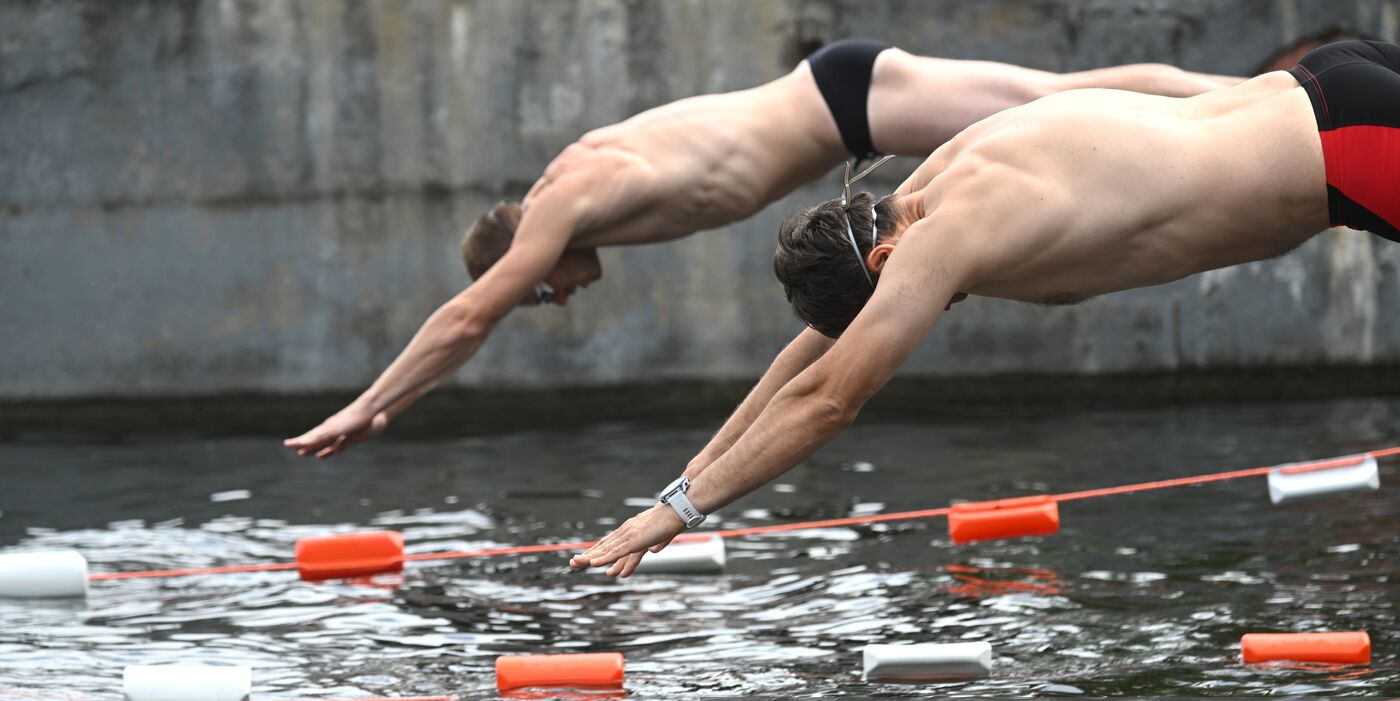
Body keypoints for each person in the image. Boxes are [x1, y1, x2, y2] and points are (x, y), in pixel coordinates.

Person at [569, 39, 1398, 577]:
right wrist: (677, 490)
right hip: (1327, 81)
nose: (936, 304)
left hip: (1351, 152)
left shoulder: (940, 241)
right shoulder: (933, 175)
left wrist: (678, 516)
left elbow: (827, 399)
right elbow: (805, 360)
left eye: (918, 300)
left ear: (889, 262)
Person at [285, 40, 1235, 458]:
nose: (553, 299)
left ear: (512, 256)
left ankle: (1261, 99)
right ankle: (1255, 102)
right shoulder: (581, 190)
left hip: (845, 99)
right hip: (842, 109)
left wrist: (371, 407)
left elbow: (465, 318)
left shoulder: (563, 198)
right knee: (1061, 94)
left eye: (535, 293)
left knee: (1063, 96)